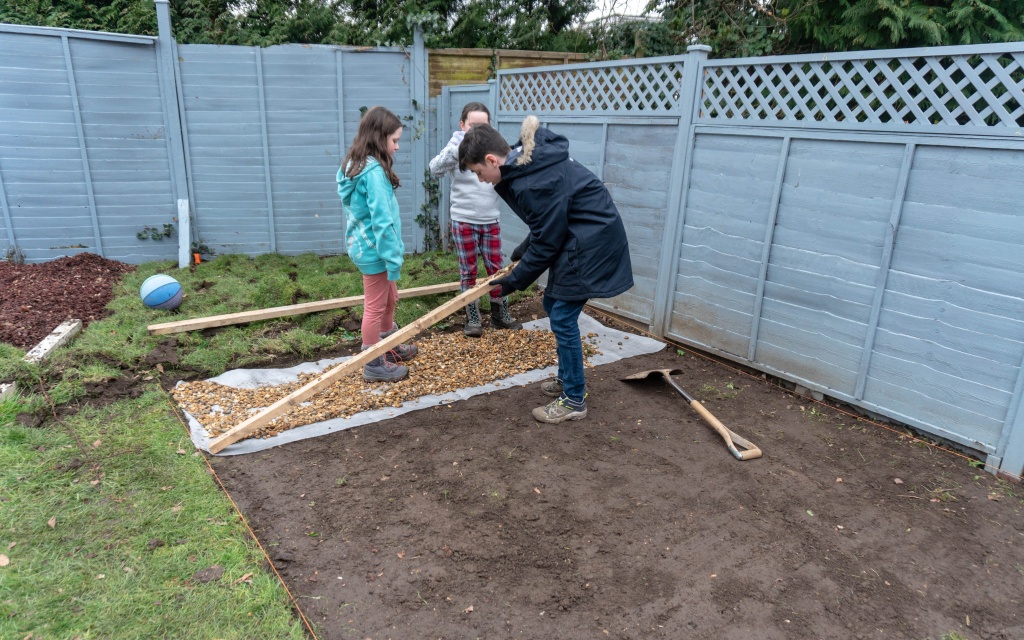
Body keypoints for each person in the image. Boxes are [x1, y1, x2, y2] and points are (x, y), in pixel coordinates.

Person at [458, 116, 634, 424]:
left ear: (490, 159)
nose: (481, 180)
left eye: (478, 172)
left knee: (563, 315)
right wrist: (519, 255)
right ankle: (568, 382)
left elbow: (548, 240)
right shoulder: (530, 167)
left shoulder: (533, 180)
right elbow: (548, 224)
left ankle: (574, 399)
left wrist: (512, 282)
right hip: (580, 234)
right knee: (555, 306)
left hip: (591, 241)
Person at [337, 106, 418, 383]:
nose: (396, 147)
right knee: (375, 306)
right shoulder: (373, 174)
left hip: (367, 245)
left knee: (389, 298)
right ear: (378, 137)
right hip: (376, 250)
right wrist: (393, 258)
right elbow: (382, 221)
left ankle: (388, 345)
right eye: (394, 140)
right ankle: (373, 362)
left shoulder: (358, 165)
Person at [429, 102, 522, 337]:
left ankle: (499, 313)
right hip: (464, 219)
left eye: (483, 125)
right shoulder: (455, 146)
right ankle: (472, 317)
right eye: (473, 125)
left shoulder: (494, 148)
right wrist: (459, 149)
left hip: (490, 220)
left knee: (496, 268)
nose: (477, 130)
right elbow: (434, 169)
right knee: (468, 270)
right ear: (463, 125)